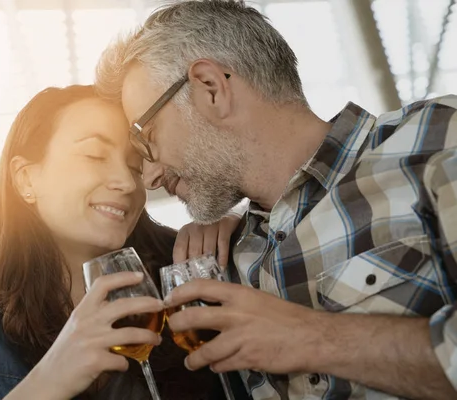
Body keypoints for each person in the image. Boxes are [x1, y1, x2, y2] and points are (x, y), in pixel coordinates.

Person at [95, 1, 457, 399]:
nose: (149, 175)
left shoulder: (437, 141)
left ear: (211, 89)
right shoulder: (223, 254)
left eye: (146, 139)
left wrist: (311, 337)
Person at [0, 85, 244, 400]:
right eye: (95, 155)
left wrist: (244, 221)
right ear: (27, 178)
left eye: (134, 165)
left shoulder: (189, 273)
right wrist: (49, 381)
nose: (126, 182)